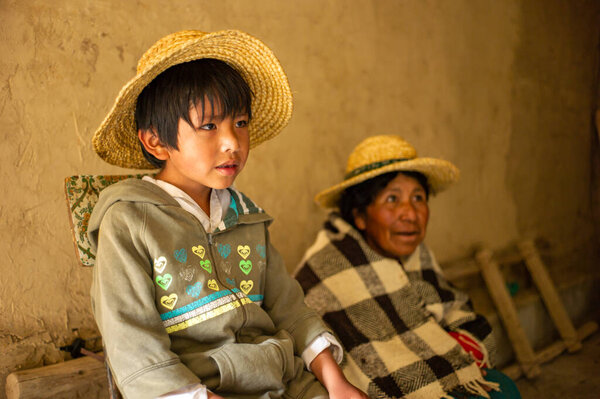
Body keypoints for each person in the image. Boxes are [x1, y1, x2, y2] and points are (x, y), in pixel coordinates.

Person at [88, 30, 369, 399]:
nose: (233, 143)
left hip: (286, 381)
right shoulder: (128, 221)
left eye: (240, 122)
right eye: (209, 126)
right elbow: (133, 346)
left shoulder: (246, 216)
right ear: (156, 141)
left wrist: (336, 383)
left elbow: (290, 309)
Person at [295, 135, 521, 399]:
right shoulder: (326, 270)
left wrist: (459, 355)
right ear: (359, 216)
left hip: (447, 380)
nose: (410, 214)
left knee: (505, 390)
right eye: (392, 199)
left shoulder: (417, 256)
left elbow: (453, 310)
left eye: (418, 198)